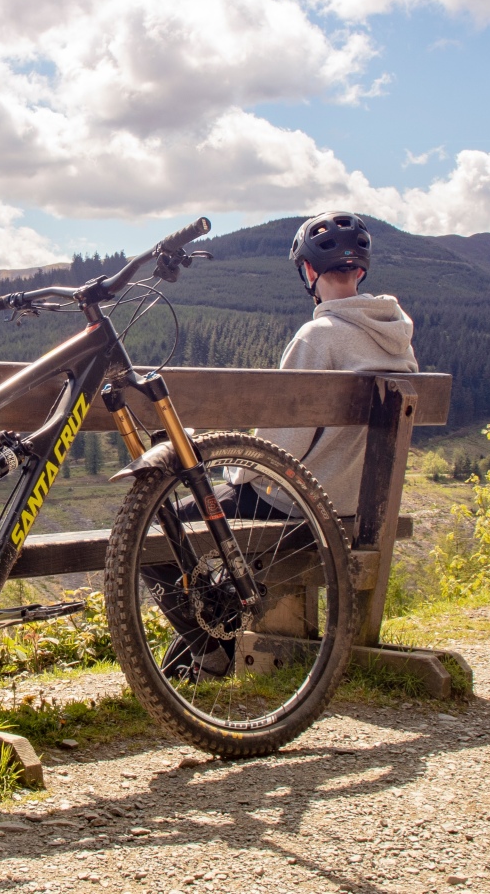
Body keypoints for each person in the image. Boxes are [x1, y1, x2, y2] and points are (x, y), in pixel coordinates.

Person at [151, 210, 419, 678]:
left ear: (308, 272)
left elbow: (274, 446)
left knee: (156, 535)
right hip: (361, 509)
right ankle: (207, 650)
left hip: (298, 506)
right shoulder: (398, 340)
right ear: (361, 271)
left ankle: (211, 653)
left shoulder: (319, 336)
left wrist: (230, 476)